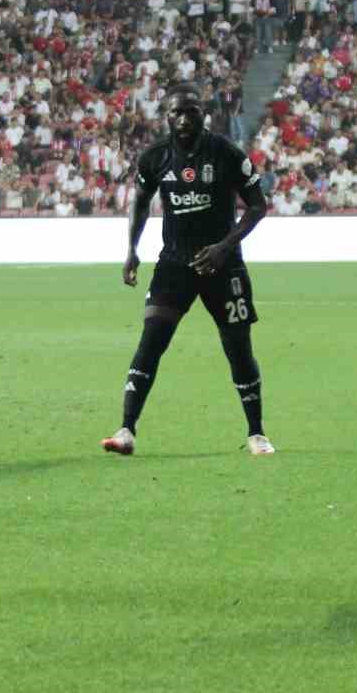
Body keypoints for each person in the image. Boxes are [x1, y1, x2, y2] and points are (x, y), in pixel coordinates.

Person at [101, 83, 274, 457]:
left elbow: (259, 205)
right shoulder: (154, 158)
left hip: (224, 265)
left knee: (238, 350)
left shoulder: (226, 153)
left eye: (191, 110)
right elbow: (141, 204)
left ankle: (257, 433)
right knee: (151, 342)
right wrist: (131, 250)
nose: (183, 118)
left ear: (202, 114)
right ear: (167, 116)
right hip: (174, 263)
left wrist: (224, 246)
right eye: (176, 111)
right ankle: (126, 430)